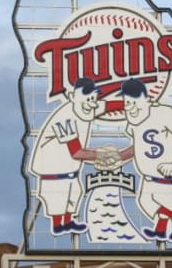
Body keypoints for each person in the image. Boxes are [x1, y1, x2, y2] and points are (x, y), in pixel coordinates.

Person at [29, 77, 123, 236]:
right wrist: (103, 155)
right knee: (58, 200)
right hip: (53, 171)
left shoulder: (87, 106)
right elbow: (76, 152)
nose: (91, 102)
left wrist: (135, 104)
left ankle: (67, 222)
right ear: (73, 97)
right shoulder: (64, 116)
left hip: (70, 171)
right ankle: (58, 225)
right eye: (87, 98)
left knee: (74, 194)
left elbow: (109, 106)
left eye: (93, 97)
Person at [118, 77, 172, 242]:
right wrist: (117, 158)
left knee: (162, 205)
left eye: (133, 102)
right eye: (127, 103)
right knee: (144, 201)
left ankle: (167, 226)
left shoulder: (164, 112)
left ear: (145, 98)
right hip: (148, 178)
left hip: (168, 178)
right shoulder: (133, 121)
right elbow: (138, 147)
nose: (130, 107)